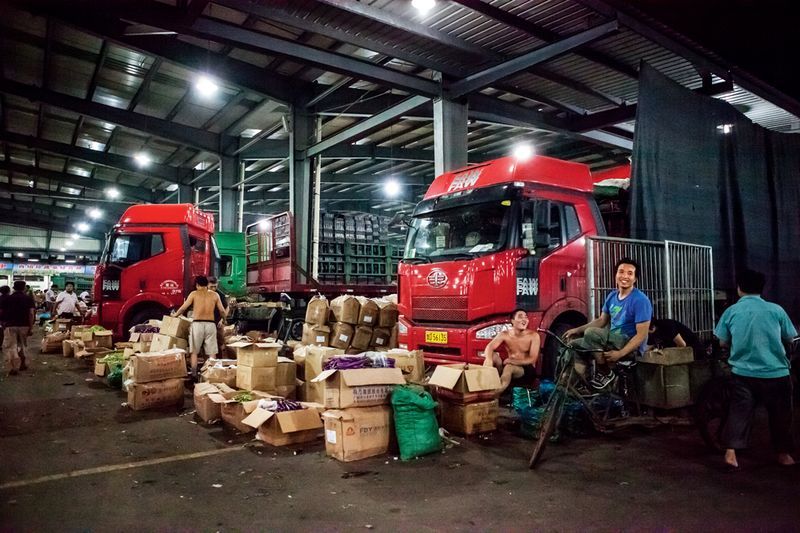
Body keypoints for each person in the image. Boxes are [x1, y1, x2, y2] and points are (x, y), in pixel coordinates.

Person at [713, 269, 797, 469]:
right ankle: (783, 454)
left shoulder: (731, 311)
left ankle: (731, 454)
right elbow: (791, 338)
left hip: (743, 374)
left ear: (739, 288)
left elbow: (722, 342)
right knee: (781, 415)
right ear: (761, 289)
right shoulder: (776, 310)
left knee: (738, 412)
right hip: (777, 373)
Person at [565, 257, 652, 389]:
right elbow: (601, 321)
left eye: (630, 273)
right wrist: (576, 330)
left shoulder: (640, 300)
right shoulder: (612, 296)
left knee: (592, 334)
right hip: (611, 340)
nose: (625, 276)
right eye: (621, 271)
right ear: (616, 274)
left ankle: (605, 373)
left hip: (628, 345)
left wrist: (620, 353)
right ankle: (578, 384)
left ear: (635, 279)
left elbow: (641, 335)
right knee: (573, 345)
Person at [172, 275, 227, 381]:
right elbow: (222, 311)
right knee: (212, 352)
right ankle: (212, 375)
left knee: (194, 352)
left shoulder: (194, 294)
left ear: (197, 285)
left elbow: (183, 308)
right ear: (207, 284)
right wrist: (224, 320)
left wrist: (175, 315)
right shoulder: (215, 295)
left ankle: (194, 375)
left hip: (197, 325)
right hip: (211, 325)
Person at [482, 308, 541, 397]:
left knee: (509, 367)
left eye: (526, 317)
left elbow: (532, 359)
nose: (524, 319)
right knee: (492, 356)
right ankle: (483, 386)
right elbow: (489, 347)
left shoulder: (533, 336)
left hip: (526, 371)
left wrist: (512, 361)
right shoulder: (505, 334)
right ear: (512, 321)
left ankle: (494, 394)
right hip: (508, 368)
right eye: (520, 317)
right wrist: (489, 360)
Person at [1, 280, 35, 375]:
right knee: (22, 345)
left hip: (10, 325)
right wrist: (31, 327)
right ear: (24, 288)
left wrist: (2, 323)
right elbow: (31, 313)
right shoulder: (28, 298)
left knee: (12, 346)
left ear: (13, 288)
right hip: (24, 325)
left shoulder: (7, 298)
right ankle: (23, 364)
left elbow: (1, 311)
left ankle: (14, 367)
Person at [208, 276, 229, 355]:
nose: (213, 289)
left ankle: (220, 360)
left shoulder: (220, 295)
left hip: (217, 322)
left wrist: (222, 320)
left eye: (215, 286)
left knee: (220, 342)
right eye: (211, 287)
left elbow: (226, 308)